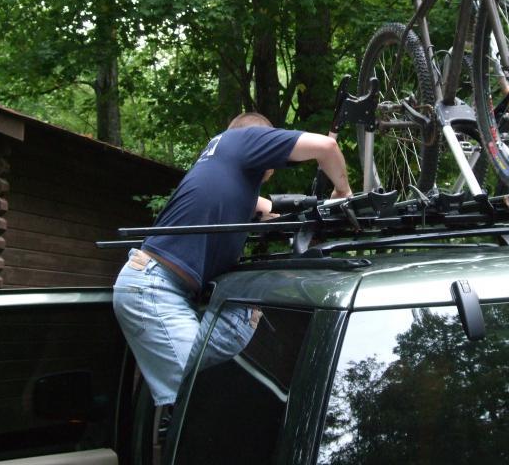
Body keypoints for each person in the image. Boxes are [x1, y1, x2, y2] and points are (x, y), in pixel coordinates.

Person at [112, 112, 352, 407]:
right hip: (155, 288)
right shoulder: (244, 138)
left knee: (198, 391)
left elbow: (272, 210)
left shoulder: (225, 167)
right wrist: (343, 191)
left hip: (155, 284)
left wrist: (321, 215)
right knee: (193, 404)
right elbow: (326, 148)